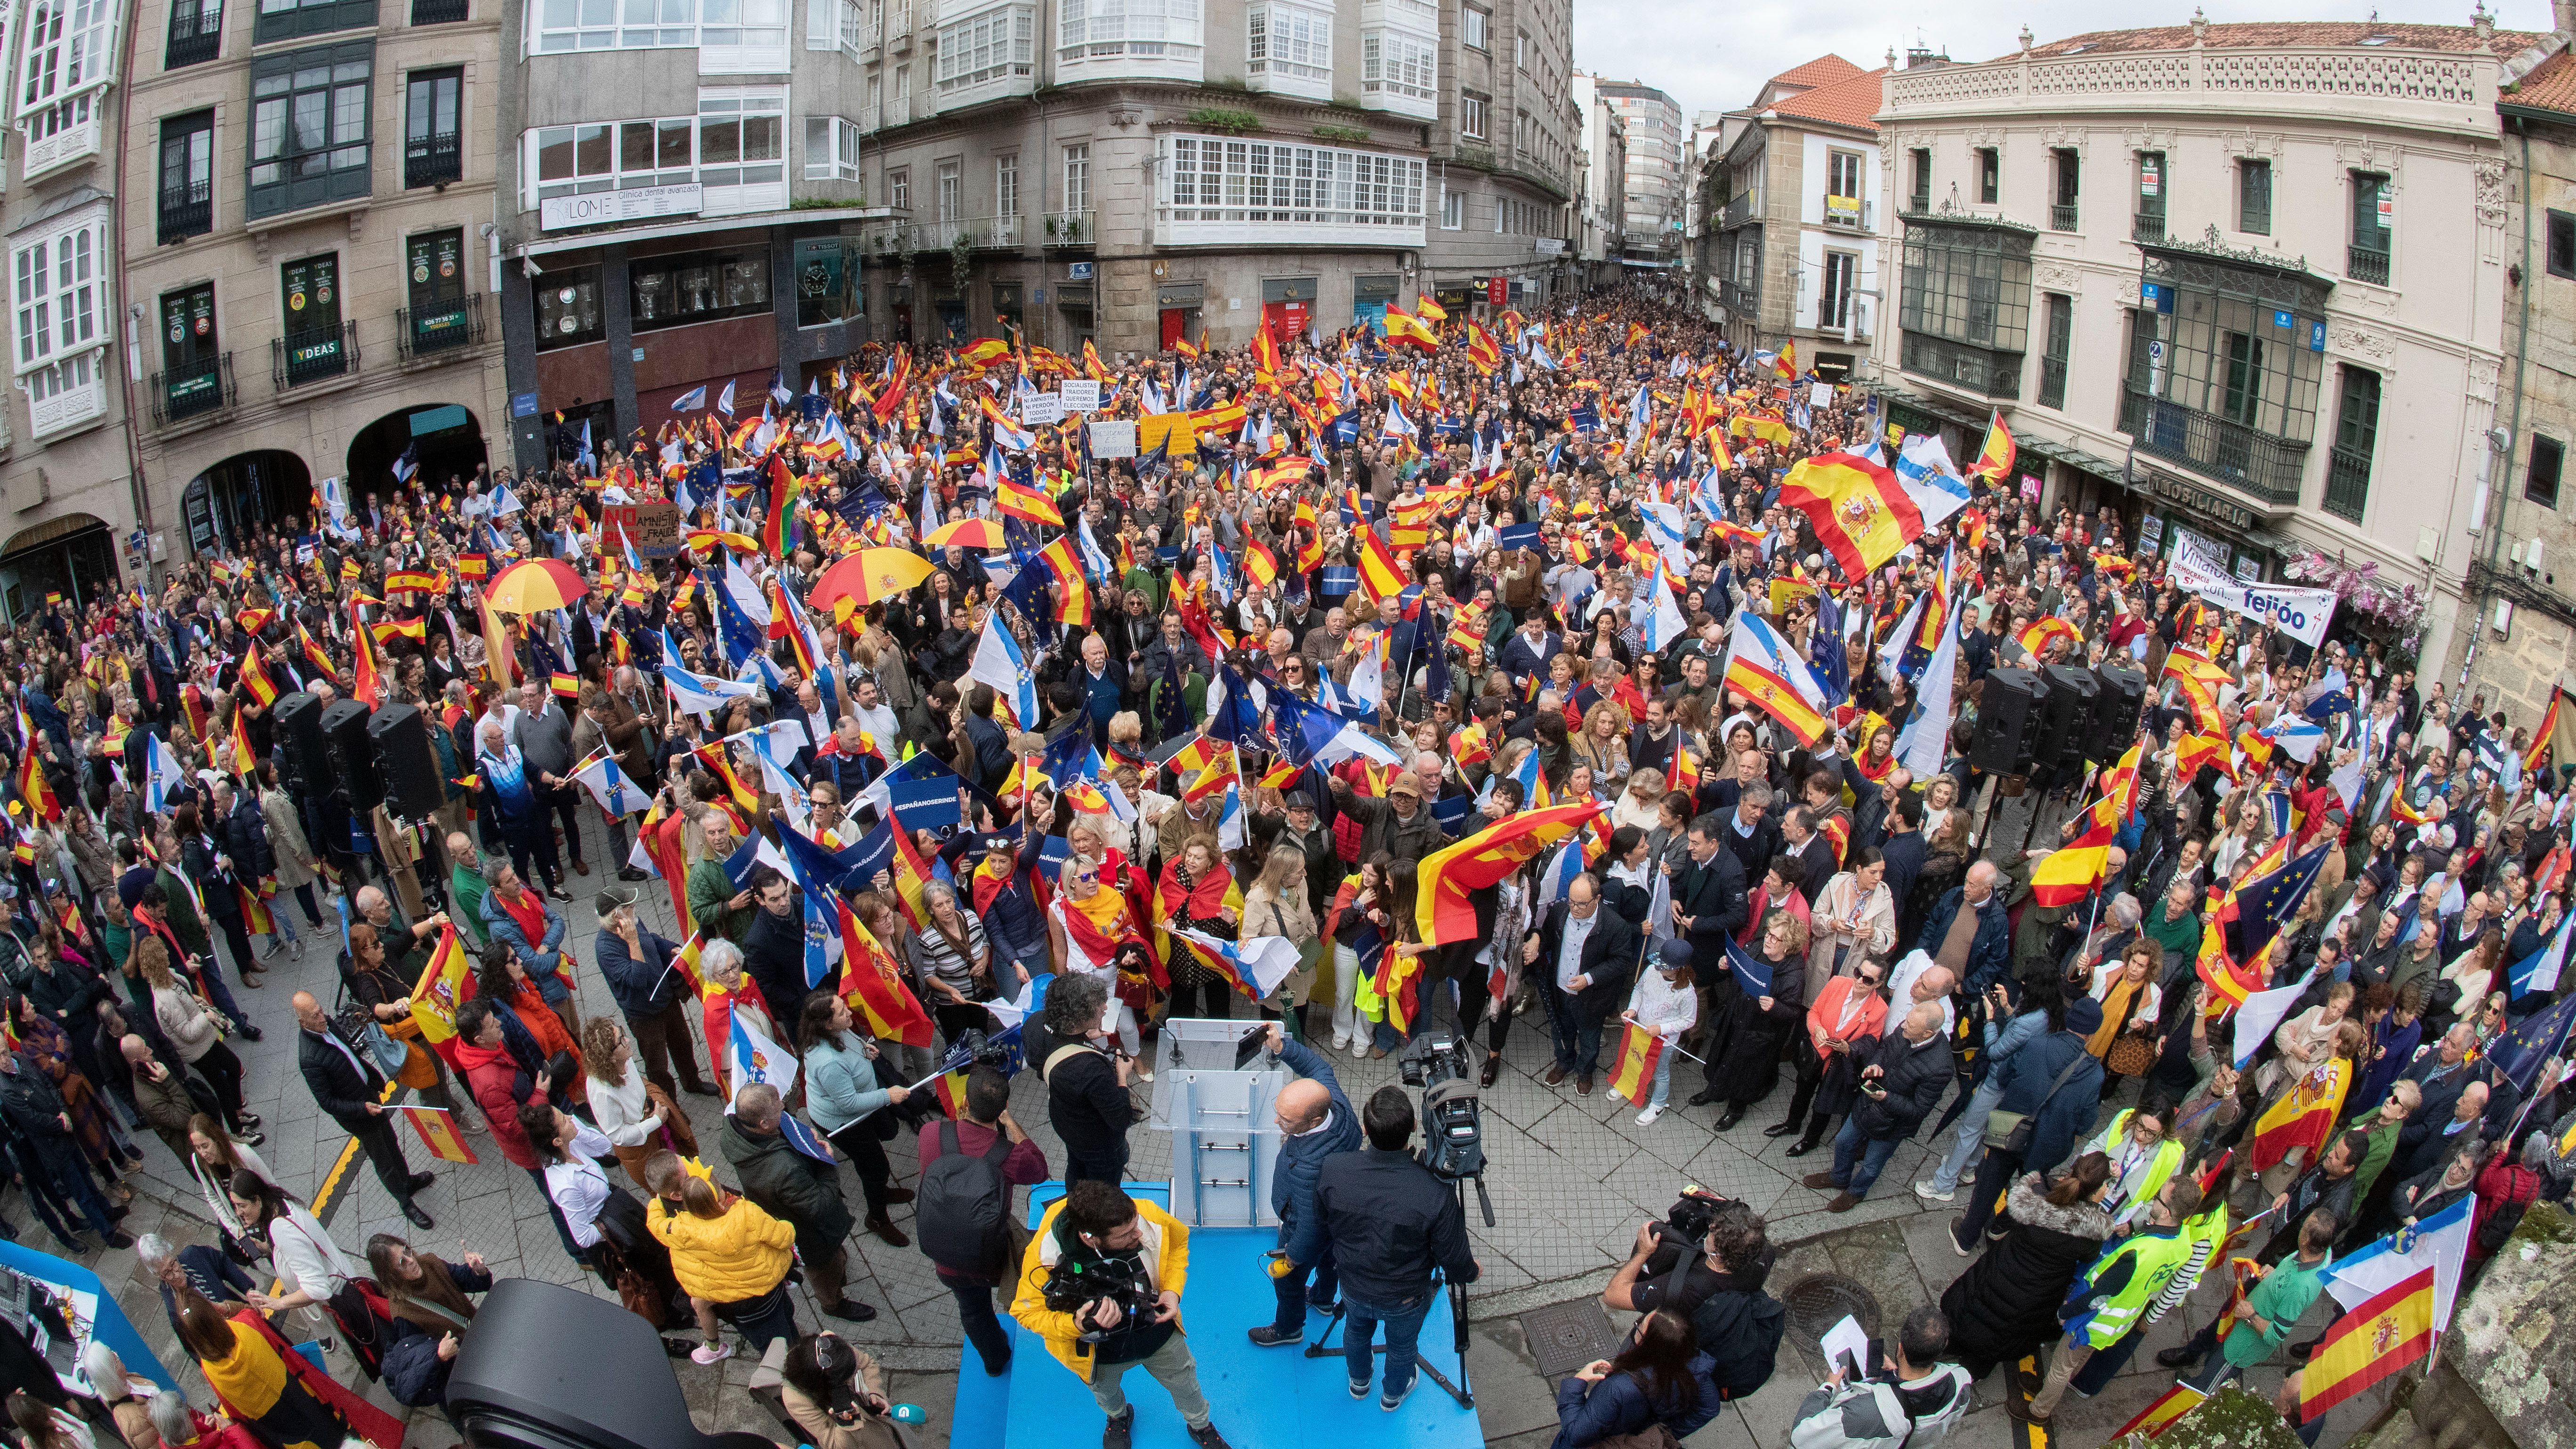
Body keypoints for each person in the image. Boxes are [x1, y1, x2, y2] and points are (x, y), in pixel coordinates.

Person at [1009, 1178, 1235, 1449]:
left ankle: (1200, 1425)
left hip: (1157, 1329)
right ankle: (1119, 1416)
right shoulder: (1044, 1258)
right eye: (1126, 1234)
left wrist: (1172, 1291)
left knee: (1186, 1384)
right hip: (1098, 1352)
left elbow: (1177, 1244)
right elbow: (1026, 1313)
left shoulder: (1144, 1215)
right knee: (1106, 1393)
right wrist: (1076, 1324)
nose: (1138, 1234)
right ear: (1089, 1238)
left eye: (1135, 1225)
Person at [1312, 1084, 1481, 1410]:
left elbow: (1321, 1222)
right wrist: (1471, 1272)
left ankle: (1359, 1382)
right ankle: (1392, 1395)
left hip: (1353, 1285)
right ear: (1415, 1127)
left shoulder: (1334, 1169)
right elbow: (1454, 1257)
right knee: (1402, 1347)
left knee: (1356, 1331)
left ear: (1365, 1129)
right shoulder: (1434, 1191)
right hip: (1405, 1296)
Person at [2019, 1177, 2204, 1426]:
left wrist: (2066, 1311)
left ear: (2167, 1213)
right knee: (2077, 1360)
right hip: (2120, 1320)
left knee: (2062, 1366)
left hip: (2095, 1319)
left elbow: (2099, 1296)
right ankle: (2047, 1390)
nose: (2153, 1200)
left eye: (2158, 1198)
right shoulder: (2183, 1243)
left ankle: (2039, 1411)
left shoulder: (2138, 1253)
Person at [917, 1065, 1047, 1377]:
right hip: (991, 1257)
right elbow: (1039, 1169)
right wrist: (1010, 1123)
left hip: (945, 1254)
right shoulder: (1011, 1156)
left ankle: (994, 1360)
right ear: (1003, 1107)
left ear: (965, 1101)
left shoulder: (931, 1133)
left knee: (973, 1311)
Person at [1937, 1154, 2115, 1382]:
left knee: (1974, 1306)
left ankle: (1944, 1346)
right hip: (2037, 1294)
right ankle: (1971, 1374)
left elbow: (2017, 1209)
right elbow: (2089, 1256)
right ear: (2096, 1191)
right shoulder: (2092, 1230)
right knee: (2001, 1335)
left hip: (2002, 1268)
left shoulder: (2039, 1192)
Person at [1948, 998, 2106, 1252]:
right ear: (2092, 1033)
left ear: (2068, 1021)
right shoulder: (2094, 1074)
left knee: (1990, 1183)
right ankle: (2000, 1229)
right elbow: (2086, 1124)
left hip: (2011, 1130)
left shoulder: (2036, 1045)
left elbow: (2003, 1076)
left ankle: (1966, 1238)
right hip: (2048, 1147)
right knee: (2030, 1191)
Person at [719, 1082, 878, 1324]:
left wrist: (803, 1138)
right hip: (809, 1234)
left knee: (834, 1258)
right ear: (764, 1124)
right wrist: (826, 1161)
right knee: (824, 1269)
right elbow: (820, 1206)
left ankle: (836, 1267)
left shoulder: (734, 1130)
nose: (783, 1106)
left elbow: (786, 1129)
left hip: (778, 1209)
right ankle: (833, 1304)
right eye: (777, 1107)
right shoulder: (784, 1171)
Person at [1248, 1021, 1361, 1348]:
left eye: (1286, 1120)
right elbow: (1318, 1067)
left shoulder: (1309, 1167)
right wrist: (1282, 1047)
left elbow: (1310, 1225)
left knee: (1288, 1283)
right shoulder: (1336, 1105)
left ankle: (1289, 1329)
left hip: (1301, 1228)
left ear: (1313, 1121)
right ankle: (1324, 1299)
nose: (1277, 1122)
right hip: (1340, 1218)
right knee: (1329, 1260)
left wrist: (1293, 1257)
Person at [289, 990, 435, 1230]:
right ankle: (405, 1202)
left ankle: (407, 1181)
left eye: (320, 1010)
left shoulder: (328, 1025)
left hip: (368, 1096)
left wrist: (372, 1081)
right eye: (315, 1016)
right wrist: (361, 1108)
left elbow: (350, 1056)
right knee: (383, 1159)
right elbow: (327, 1102)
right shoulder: (309, 1059)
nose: (322, 1017)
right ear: (302, 1021)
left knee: (391, 1142)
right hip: (359, 1115)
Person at [644, 1149, 801, 1364]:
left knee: (769, 1341)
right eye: (688, 1173)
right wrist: (787, 1226)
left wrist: (658, 1201)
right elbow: (784, 1237)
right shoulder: (746, 1214)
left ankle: (786, 1357)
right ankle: (795, 1368)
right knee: (781, 1338)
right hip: (766, 1288)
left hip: (738, 1304)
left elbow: (654, 1222)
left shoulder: (677, 1228)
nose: (694, 1170)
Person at [2157, 1209, 2338, 1392]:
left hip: (2241, 1346)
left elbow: (2276, 1335)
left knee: (2212, 1378)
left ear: (2306, 1240)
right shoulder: (2319, 1253)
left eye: (2304, 1226)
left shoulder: (2299, 1288)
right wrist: (2275, 1275)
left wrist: (2250, 1315)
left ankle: (2192, 1391)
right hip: (2237, 1329)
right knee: (2215, 1357)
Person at [1802, 1002, 1950, 1212]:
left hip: (1893, 1124)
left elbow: (1919, 1110)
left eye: (1909, 1025)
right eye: (1906, 1021)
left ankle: (1856, 1192)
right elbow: (1885, 1048)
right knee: (1843, 1141)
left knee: (1872, 1164)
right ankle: (1839, 1177)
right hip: (1867, 1104)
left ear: (1927, 1033)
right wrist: (1876, 1064)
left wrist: (1886, 1098)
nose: (1903, 1026)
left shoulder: (1941, 1067)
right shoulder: (1909, 1027)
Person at [797, 994, 915, 1245]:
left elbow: (850, 1046)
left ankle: (881, 1191)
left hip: (859, 1111)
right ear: (827, 1024)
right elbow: (849, 1104)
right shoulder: (828, 1062)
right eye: (842, 1012)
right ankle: (877, 1219)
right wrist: (887, 1095)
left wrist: (864, 1049)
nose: (849, 1013)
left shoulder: (837, 1031)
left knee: (874, 1159)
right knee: (875, 1167)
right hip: (845, 1123)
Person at [1782, 1305, 1974, 1449]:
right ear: (1942, 1348)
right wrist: (1894, 1380)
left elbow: (1801, 1437)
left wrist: (1827, 1387)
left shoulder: (1859, 1415)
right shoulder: (1961, 1383)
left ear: (1900, 1349)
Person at [593, 885, 718, 1101]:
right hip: (644, 1016)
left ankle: (692, 1081)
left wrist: (669, 947)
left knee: (683, 1044)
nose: (634, 906)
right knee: (657, 1064)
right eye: (628, 906)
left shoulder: (632, 921)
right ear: (616, 917)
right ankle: (668, 1102)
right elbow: (637, 980)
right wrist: (632, 941)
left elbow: (650, 938)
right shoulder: (606, 949)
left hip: (666, 998)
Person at [1529, 873, 1641, 1095]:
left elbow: (1621, 962)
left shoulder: (1615, 926)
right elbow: (1547, 936)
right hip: (1561, 990)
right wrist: (1536, 942)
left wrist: (1589, 978)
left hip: (1592, 997)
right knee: (1561, 1030)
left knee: (1590, 1037)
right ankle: (1564, 1063)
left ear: (1597, 899)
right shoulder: (1560, 912)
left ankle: (1585, 1071)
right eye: (1572, 901)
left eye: (1582, 904)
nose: (1575, 908)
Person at [1547, 1309, 1723, 1449]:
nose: (1637, 1325)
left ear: (1647, 1344)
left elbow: (1576, 1435)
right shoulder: (1696, 1368)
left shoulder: (1618, 1389)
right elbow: (1709, 1408)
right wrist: (1666, 1433)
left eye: (1640, 1326)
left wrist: (1577, 1383)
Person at [1030, 973, 1137, 1186]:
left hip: (1067, 1126)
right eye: (1100, 1005)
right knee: (1102, 1192)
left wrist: (1082, 1038)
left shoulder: (1035, 1024)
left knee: (1075, 1171)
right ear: (1081, 1015)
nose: (1105, 1008)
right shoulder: (1092, 1069)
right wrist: (1122, 1074)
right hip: (1099, 1144)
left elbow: (1041, 1063)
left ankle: (1074, 1199)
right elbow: (1121, 1119)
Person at [779, 1331, 907, 1449]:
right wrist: (847, 1423)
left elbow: (866, 1364)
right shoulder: (795, 1399)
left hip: (888, 1425)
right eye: (845, 1378)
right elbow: (833, 1444)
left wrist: (874, 1392)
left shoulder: (834, 1348)